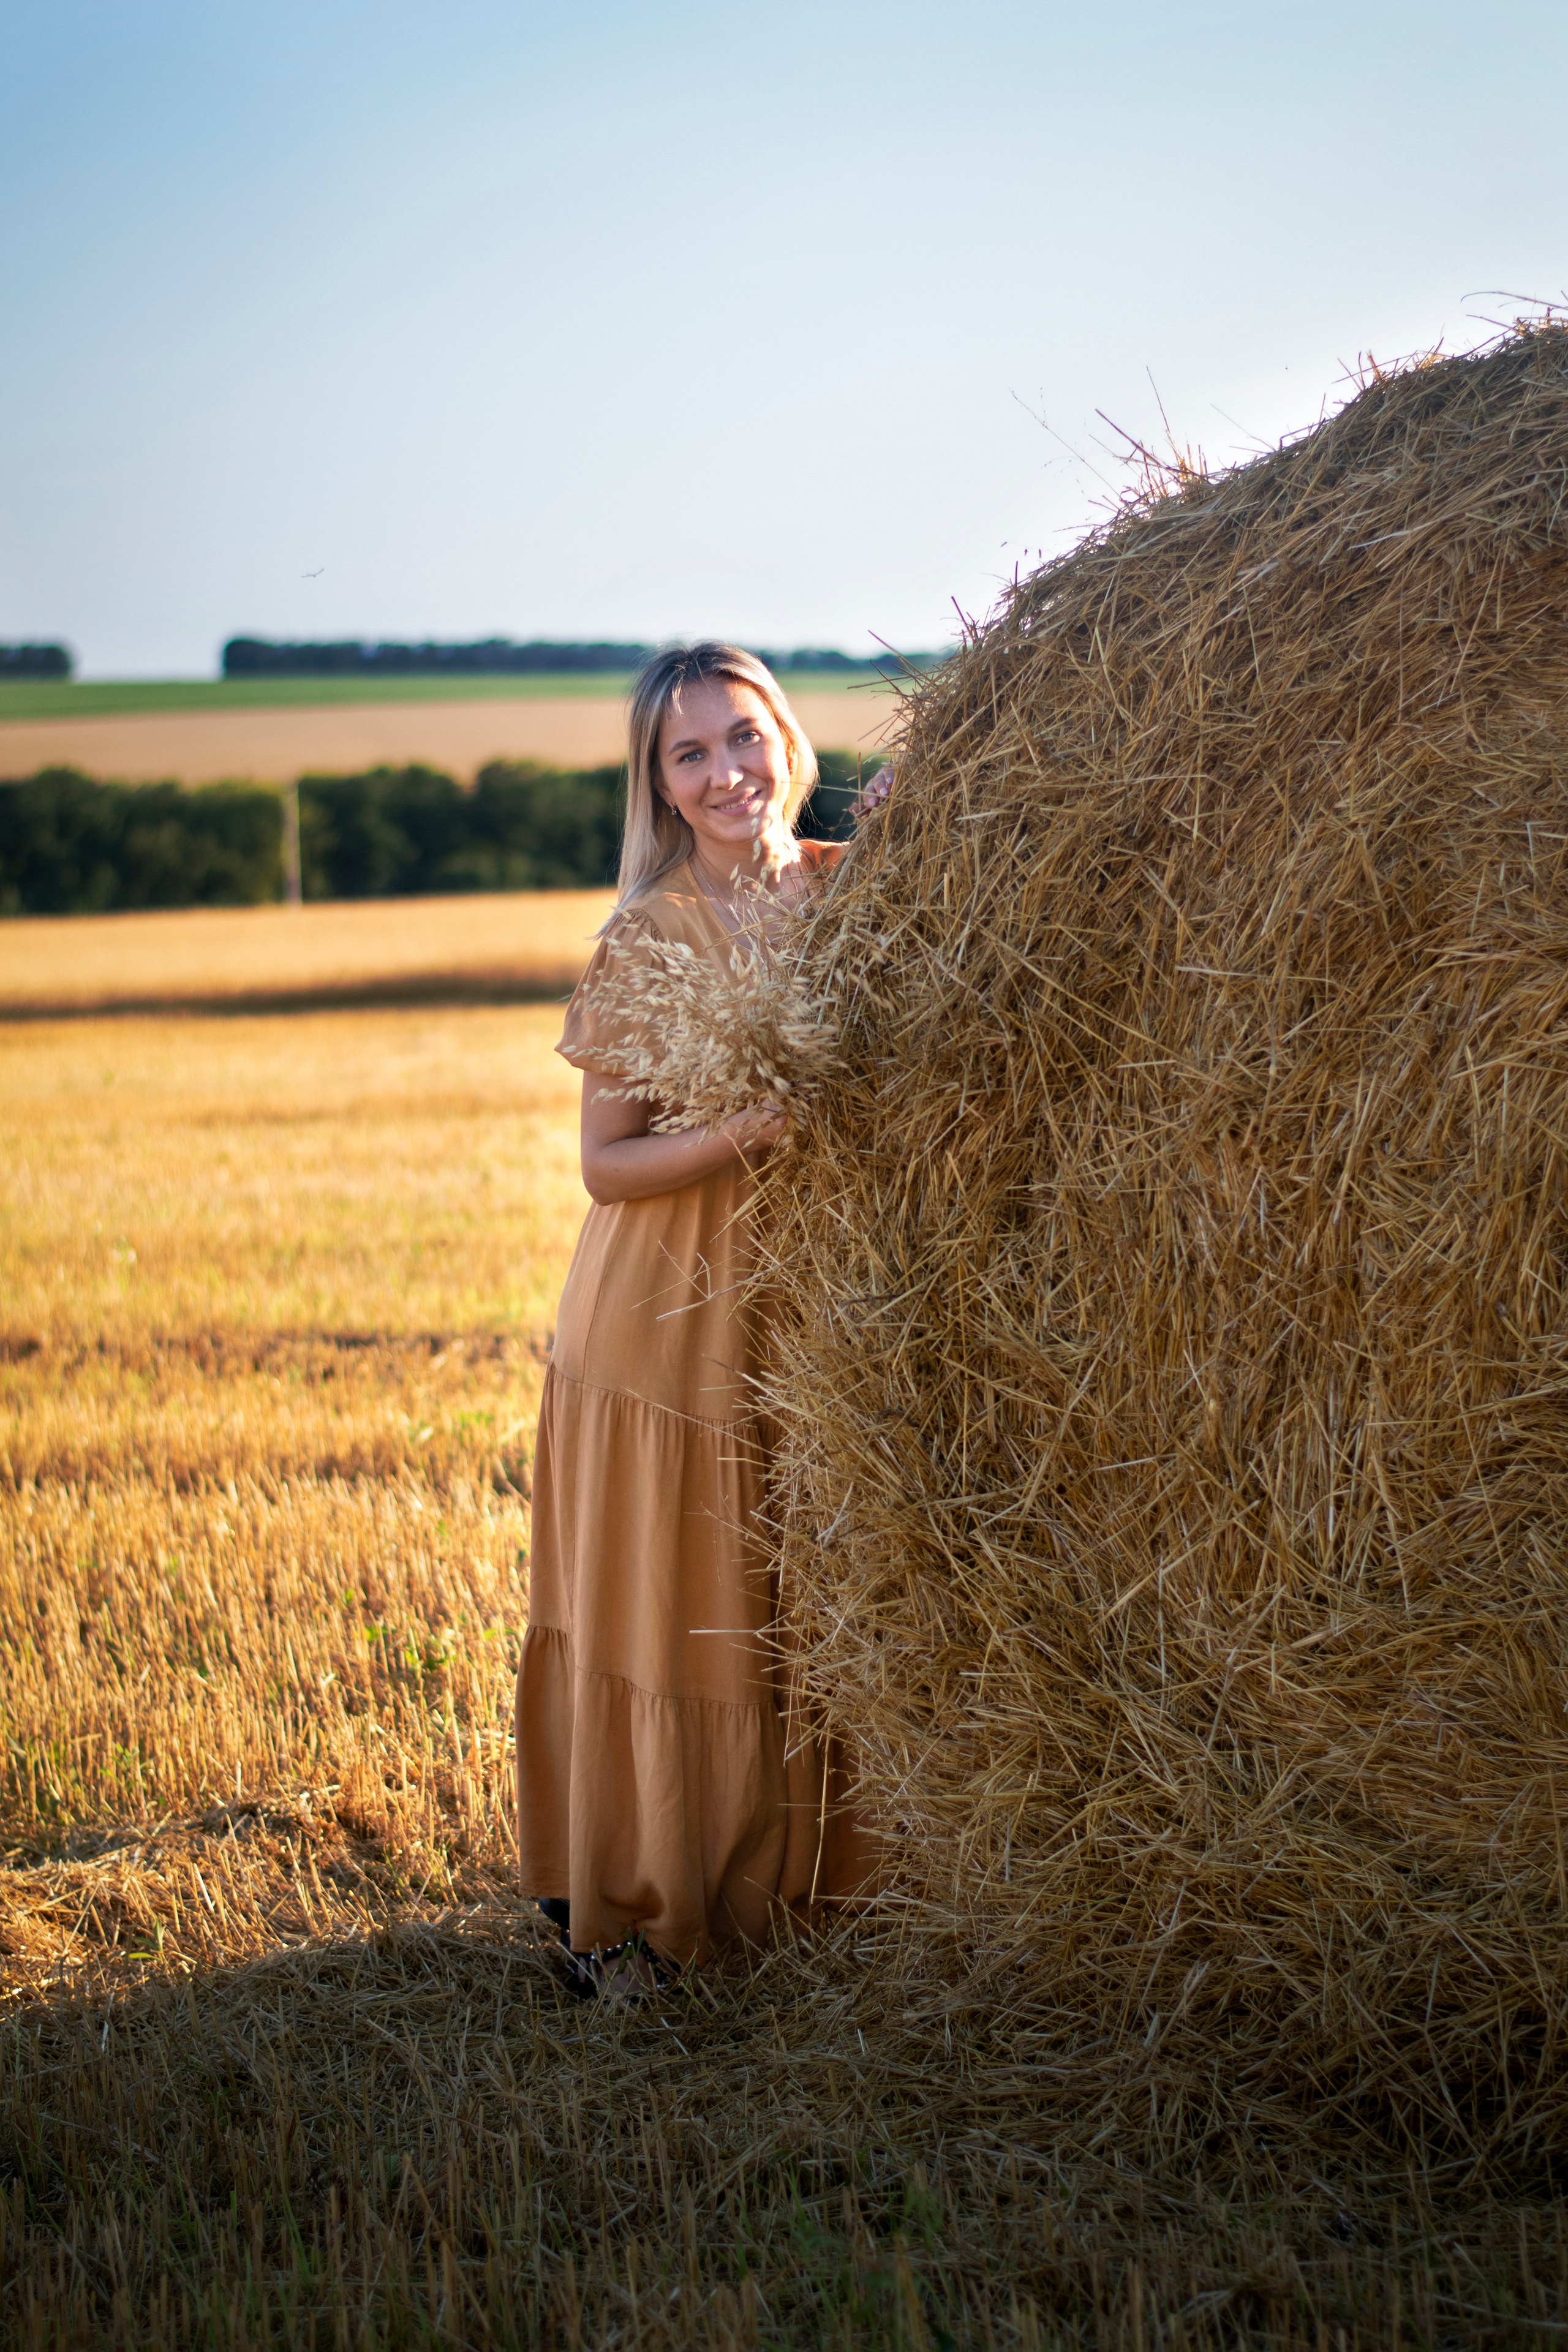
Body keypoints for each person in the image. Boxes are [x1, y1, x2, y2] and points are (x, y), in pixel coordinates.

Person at [514, 643, 876, 1996]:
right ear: (659, 786)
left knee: (808, 1601)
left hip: (814, 1320)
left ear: (787, 737)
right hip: (664, 1319)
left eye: (743, 737)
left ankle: (807, 1893)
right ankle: (632, 1906)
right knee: (675, 1610)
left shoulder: (853, 891)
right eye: (691, 754)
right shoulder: (649, 937)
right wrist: (746, 1131)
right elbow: (604, 1163)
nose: (727, 773)